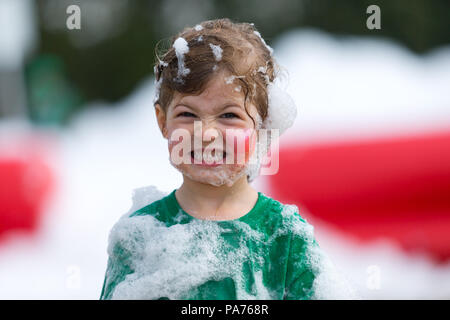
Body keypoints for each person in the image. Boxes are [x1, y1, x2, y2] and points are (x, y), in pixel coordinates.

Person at [100, 18, 351, 300]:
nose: (206, 134)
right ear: (163, 122)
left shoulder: (285, 238)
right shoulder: (140, 237)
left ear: (262, 127)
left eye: (229, 115)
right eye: (188, 114)